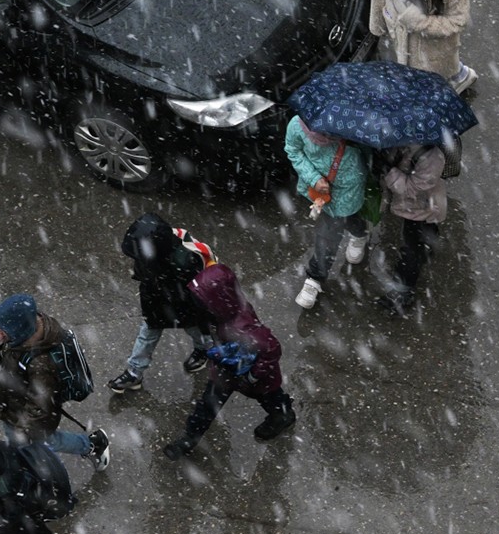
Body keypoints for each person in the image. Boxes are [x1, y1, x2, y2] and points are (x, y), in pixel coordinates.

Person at [164, 263, 295, 460]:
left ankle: (283, 415)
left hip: (254, 376)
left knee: (270, 397)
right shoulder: (222, 315)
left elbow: (272, 348)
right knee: (207, 405)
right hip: (227, 370)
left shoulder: (243, 325)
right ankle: (190, 437)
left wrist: (252, 376)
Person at [0, 293, 110, 470]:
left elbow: (40, 407)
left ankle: (92, 445)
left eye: (3, 329)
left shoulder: (41, 365)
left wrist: (22, 428)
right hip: (16, 406)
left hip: (23, 415)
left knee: (44, 442)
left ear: (20, 329)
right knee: (31, 443)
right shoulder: (26, 334)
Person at [107, 213, 214, 393]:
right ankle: (135, 372)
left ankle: (205, 349)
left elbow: (198, 289)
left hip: (183, 303)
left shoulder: (186, 259)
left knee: (194, 327)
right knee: (148, 333)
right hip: (156, 299)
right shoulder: (152, 250)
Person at [285, 115, 369, 309]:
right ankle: (315, 277)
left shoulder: (354, 124)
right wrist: (313, 178)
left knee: (345, 219)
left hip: (349, 186)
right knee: (331, 230)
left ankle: (358, 235)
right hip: (320, 188)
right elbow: (293, 150)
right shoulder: (297, 126)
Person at [375, 144, 447, 316]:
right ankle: (429, 243)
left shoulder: (432, 158)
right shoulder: (404, 140)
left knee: (411, 250)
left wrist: (388, 170)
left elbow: (409, 189)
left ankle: (403, 292)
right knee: (422, 234)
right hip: (416, 207)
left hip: (421, 209)